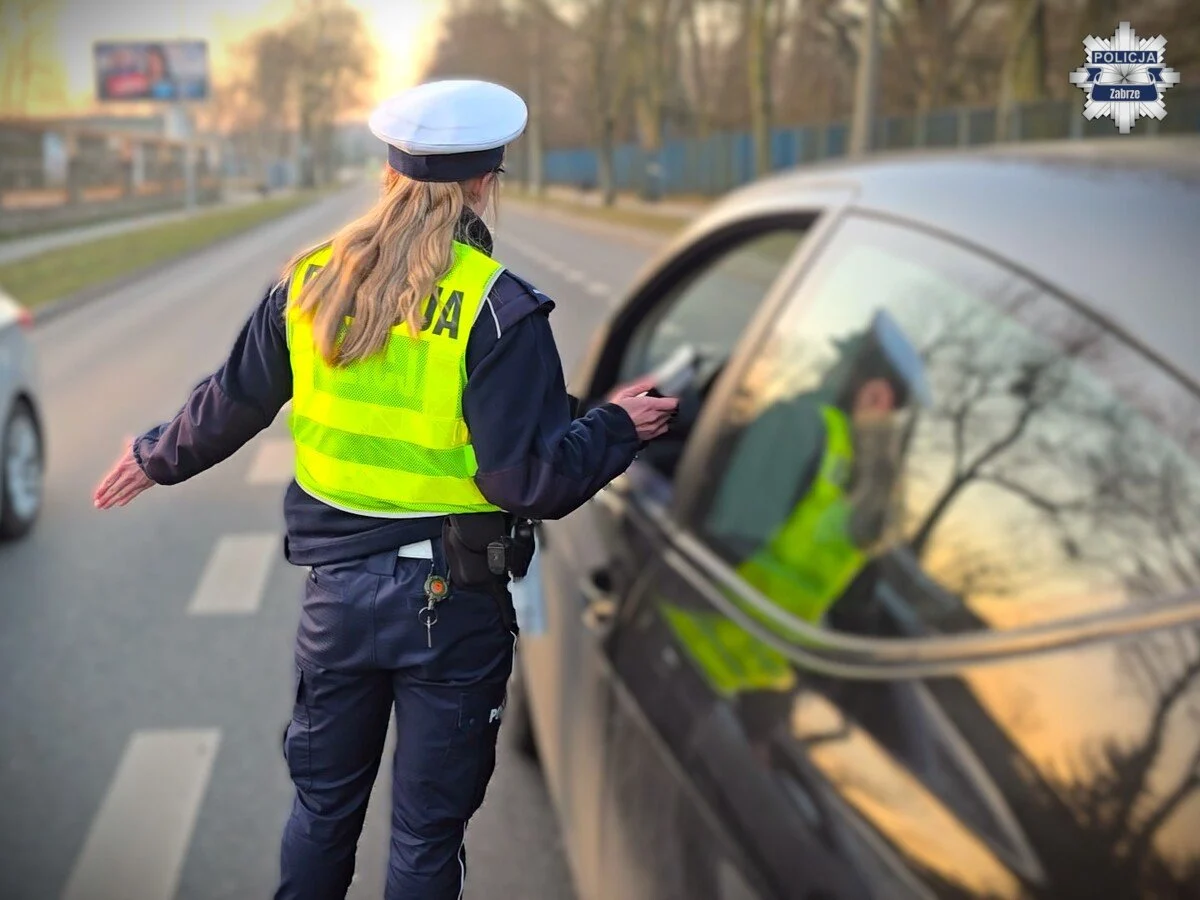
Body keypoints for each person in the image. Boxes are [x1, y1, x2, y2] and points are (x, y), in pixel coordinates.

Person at [92, 79, 678, 900]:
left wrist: (155, 455)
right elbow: (530, 475)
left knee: (322, 812)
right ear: (485, 183)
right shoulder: (496, 309)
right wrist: (619, 428)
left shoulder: (310, 283)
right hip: (453, 609)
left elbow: (235, 400)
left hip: (338, 601)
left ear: (390, 173)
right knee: (425, 836)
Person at [659, 311, 931, 717]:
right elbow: (852, 606)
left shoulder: (801, 428)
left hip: (679, 651)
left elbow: (716, 546)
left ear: (876, 393)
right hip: (753, 687)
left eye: (843, 362)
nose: (829, 370)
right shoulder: (876, 491)